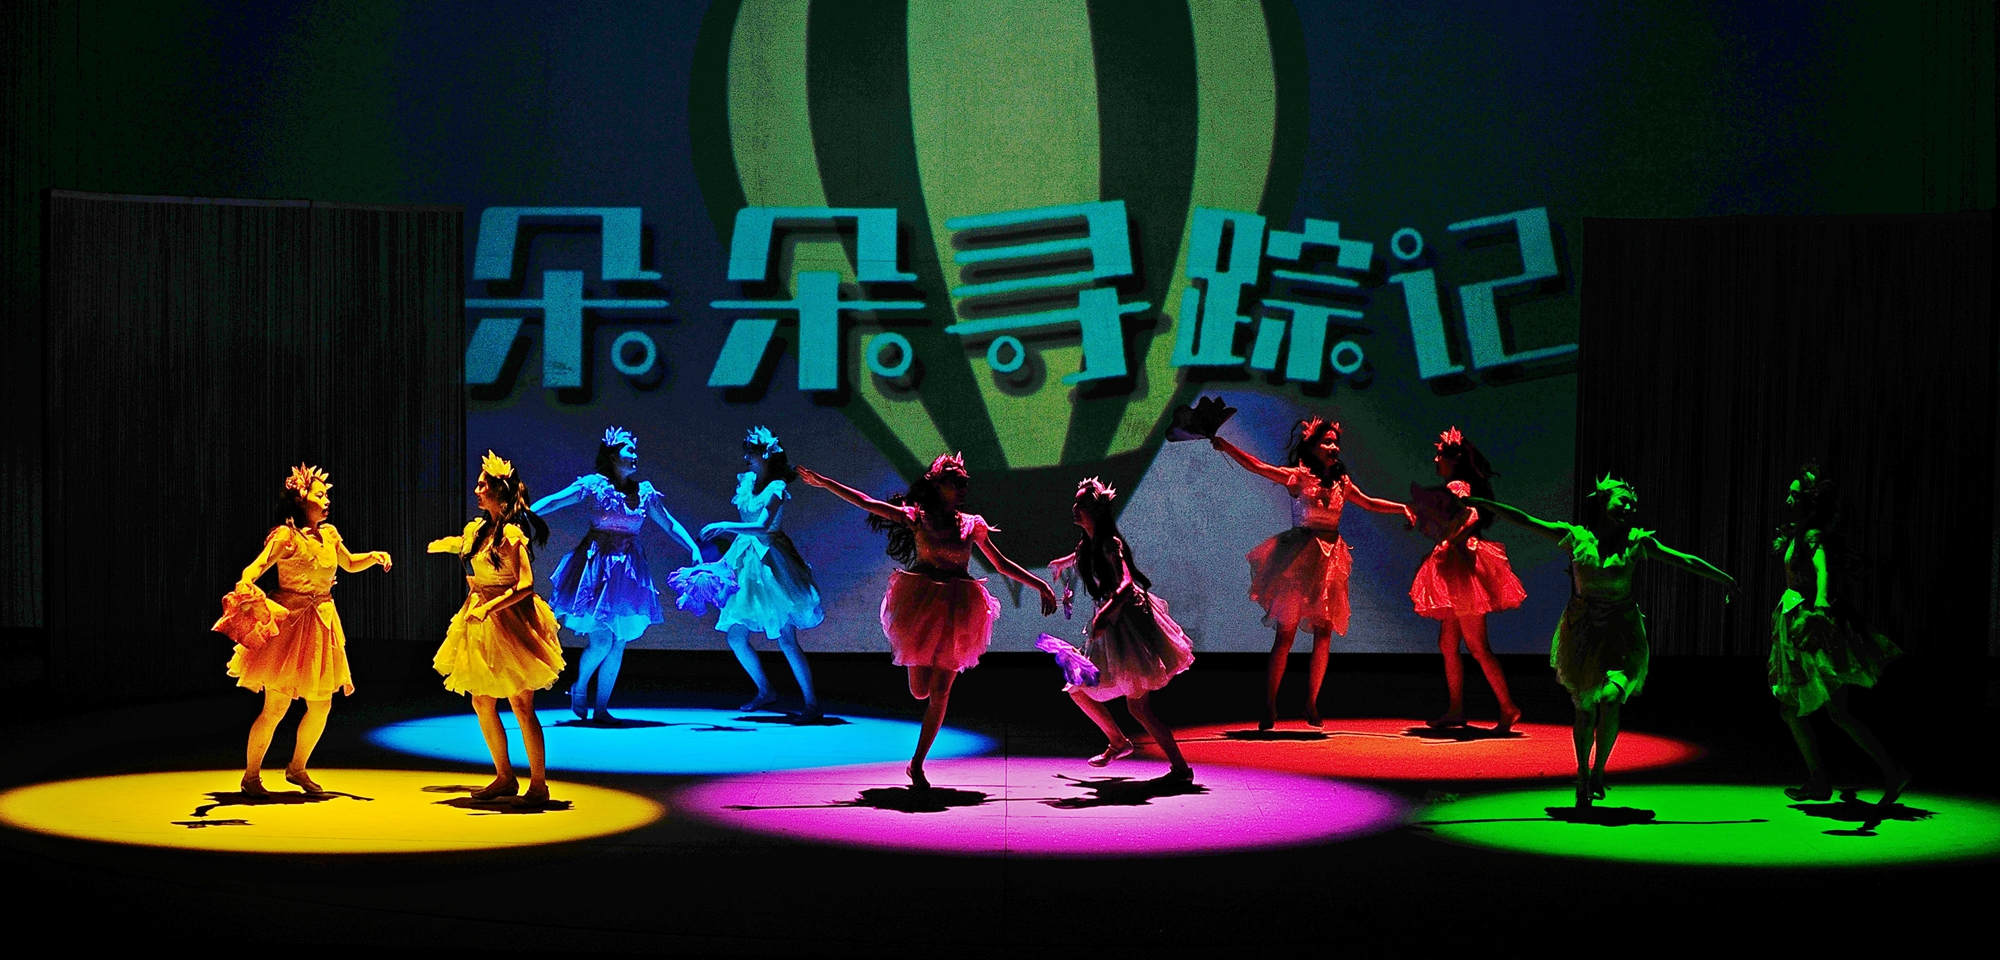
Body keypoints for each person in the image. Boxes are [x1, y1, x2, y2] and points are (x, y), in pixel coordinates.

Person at [1466, 476, 1734, 807]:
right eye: (1623, 501)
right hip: (1584, 632)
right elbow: (1525, 520)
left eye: (1632, 504)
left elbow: (1684, 560)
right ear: (1604, 502)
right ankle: (1582, 773)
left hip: (1622, 632)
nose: (1629, 508)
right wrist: (1485, 503)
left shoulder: (1637, 542)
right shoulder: (1575, 537)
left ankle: (1599, 771)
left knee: (1611, 698)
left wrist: (1725, 580)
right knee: (1585, 710)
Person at [796, 453, 1057, 789]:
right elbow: (867, 502)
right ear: (938, 485)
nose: (962, 488)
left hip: (959, 607)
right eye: (955, 482)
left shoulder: (972, 525)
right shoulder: (917, 517)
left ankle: (916, 763)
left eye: (964, 483)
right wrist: (824, 483)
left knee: (941, 690)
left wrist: (1040, 585)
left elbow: (1000, 564)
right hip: (921, 604)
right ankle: (919, 740)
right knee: (919, 691)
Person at [1209, 418, 1414, 729]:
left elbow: (1369, 503)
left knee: (1324, 633)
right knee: (1286, 634)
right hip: (1299, 561)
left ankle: (1312, 704)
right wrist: (1226, 445)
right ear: (1312, 446)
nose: (1333, 447)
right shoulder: (1298, 477)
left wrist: (1402, 508)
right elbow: (1258, 467)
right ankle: (1270, 705)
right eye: (1327, 442)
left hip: (1330, 561)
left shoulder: (1342, 482)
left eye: (1335, 442)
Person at [217, 464, 391, 796]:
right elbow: (255, 567)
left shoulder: (329, 534)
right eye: (320, 495)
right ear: (300, 499)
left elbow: (349, 563)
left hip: (321, 622)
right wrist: (247, 586)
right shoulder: (286, 536)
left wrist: (373, 556)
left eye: (327, 495)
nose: (326, 501)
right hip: (291, 624)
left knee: (321, 704)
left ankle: (297, 768)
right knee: (276, 706)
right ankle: (251, 777)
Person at [533, 427, 700, 723]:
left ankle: (601, 708)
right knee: (602, 641)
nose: (635, 454)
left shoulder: (644, 492)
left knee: (619, 640)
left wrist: (693, 548)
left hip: (628, 573)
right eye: (629, 449)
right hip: (597, 569)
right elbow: (556, 501)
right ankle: (580, 686)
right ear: (612, 455)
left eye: (635, 450)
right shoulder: (594, 485)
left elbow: (669, 524)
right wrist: (524, 514)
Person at [429, 451, 565, 804]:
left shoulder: (511, 533)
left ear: (499, 493)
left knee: (521, 703)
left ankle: (539, 785)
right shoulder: (479, 530)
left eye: (482, 485)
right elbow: (471, 554)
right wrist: (446, 547)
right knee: (481, 700)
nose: (476, 490)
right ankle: (504, 776)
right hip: (482, 619)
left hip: (510, 617)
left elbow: (525, 585)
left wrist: (489, 607)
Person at [1767, 464, 1910, 804]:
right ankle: (1829, 779)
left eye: (1794, 495)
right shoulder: (1801, 532)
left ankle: (1887, 772)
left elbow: (1823, 569)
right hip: (1796, 619)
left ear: (1809, 502)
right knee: (1804, 709)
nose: (1787, 499)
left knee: (1832, 711)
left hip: (1809, 623)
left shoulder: (1812, 535)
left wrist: (1819, 604)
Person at [1046, 478, 1194, 779]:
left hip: (1125, 621)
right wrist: (1063, 563)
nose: (1075, 507)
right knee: (1078, 689)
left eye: (1082, 503)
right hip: (1110, 621)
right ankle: (1118, 741)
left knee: (1137, 707)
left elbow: (1126, 584)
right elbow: (1081, 555)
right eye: (1076, 502)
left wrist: (1104, 615)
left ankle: (1179, 768)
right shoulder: (1087, 544)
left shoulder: (1109, 543)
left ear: (1096, 511)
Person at [701, 427, 825, 717]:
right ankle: (765, 690)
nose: (747, 457)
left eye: (752, 452)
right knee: (735, 636)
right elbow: (746, 535)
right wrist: (723, 563)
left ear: (767, 455)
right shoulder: (747, 485)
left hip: (772, 563)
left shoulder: (776, 488)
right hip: (747, 563)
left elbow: (762, 526)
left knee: (786, 638)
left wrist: (724, 525)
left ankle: (811, 704)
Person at [1409, 428, 1526, 731]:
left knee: (1476, 645)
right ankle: (1456, 709)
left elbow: (1471, 515)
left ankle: (1508, 706)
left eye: (1439, 454)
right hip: (1456, 564)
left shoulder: (1458, 485)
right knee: (1448, 642)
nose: (1435, 459)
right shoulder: (1453, 485)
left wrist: (1449, 540)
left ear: (1454, 458)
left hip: (1463, 564)